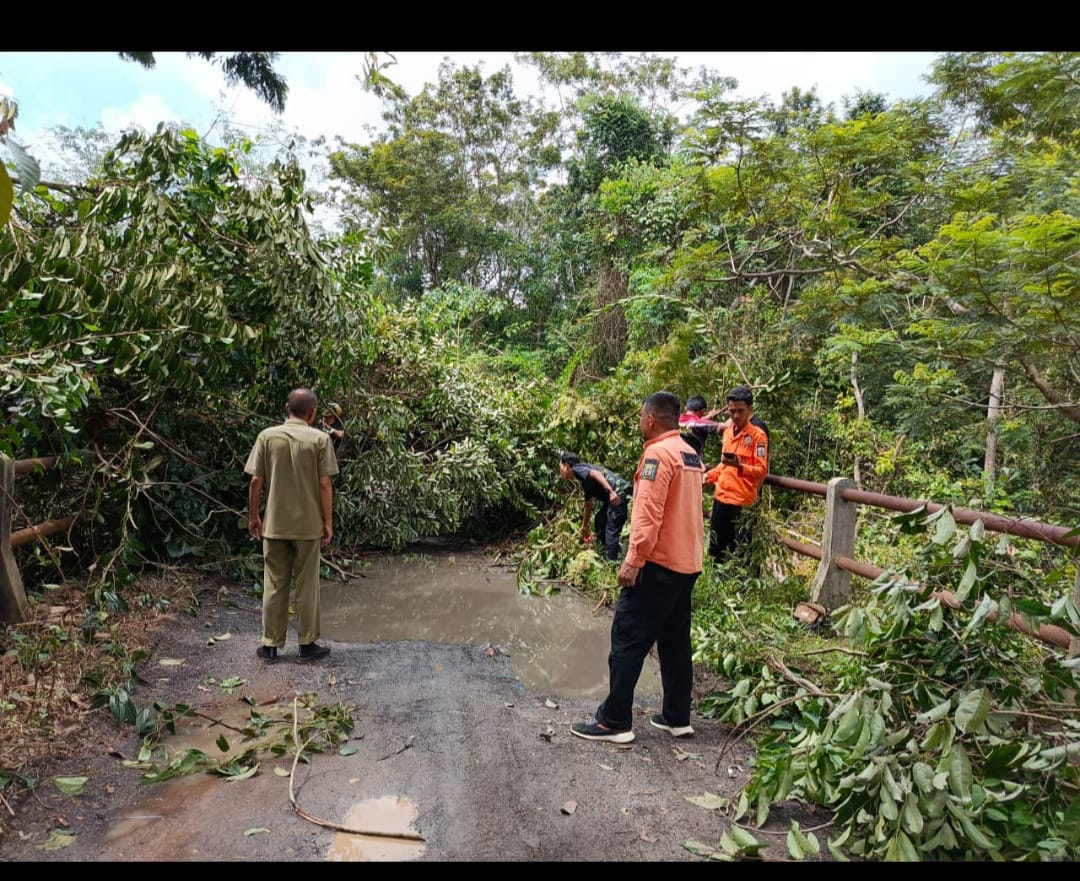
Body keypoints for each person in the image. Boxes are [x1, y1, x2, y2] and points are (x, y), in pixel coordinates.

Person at [570, 391, 704, 744]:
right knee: (675, 642)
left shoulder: (657, 455)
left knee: (627, 638)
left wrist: (633, 561)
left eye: (641, 417)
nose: (640, 422)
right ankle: (677, 717)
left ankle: (613, 721)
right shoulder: (690, 453)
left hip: (658, 564)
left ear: (650, 419)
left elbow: (648, 514)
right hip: (687, 563)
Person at [245, 388, 339, 662]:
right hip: (308, 526)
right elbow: (324, 483)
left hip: (275, 524)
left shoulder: (267, 437)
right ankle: (307, 645)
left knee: (274, 583)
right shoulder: (320, 439)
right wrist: (328, 522)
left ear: (287, 408)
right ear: (312, 413)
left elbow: (256, 480)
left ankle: (270, 645)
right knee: (307, 584)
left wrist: (253, 516)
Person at [702, 386, 769, 564]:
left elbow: (761, 470)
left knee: (738, 555)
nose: (736, 416)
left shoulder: (758, 436)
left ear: (750, 409)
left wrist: (740, 466)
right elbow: (723, 465)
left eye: (740, 411)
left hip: (741, 503)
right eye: (732, 411)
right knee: (716, 552)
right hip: (721, 499)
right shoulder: (727, 433)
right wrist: (709, 476)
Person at [559, 453, 633, 562]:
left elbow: (596, 473)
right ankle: (603, 551)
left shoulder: (576, 468)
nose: (560, 471)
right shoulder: (584, 479)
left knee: (611, 528)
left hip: (617, 493)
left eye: (560, 467)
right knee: (599, 519)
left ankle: (611, 563)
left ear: (566, 466)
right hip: (616, 494)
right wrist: (584, 527)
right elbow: (588, 504)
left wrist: (611, 492)